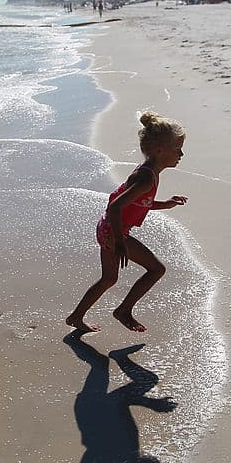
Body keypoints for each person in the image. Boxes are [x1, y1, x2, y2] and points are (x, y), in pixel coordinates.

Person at [66, 112, 188, 333]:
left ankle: (76, 316)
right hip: (114, 232)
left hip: (107, 228)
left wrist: (166, 204)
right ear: (160, 150)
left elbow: (139, 202)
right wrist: (121, 242)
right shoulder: (147, 177)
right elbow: (115, 207)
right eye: (177, 149)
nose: (181, 153)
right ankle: (123, 310)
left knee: (109, 279)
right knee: (156, 270)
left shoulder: (148, 172)